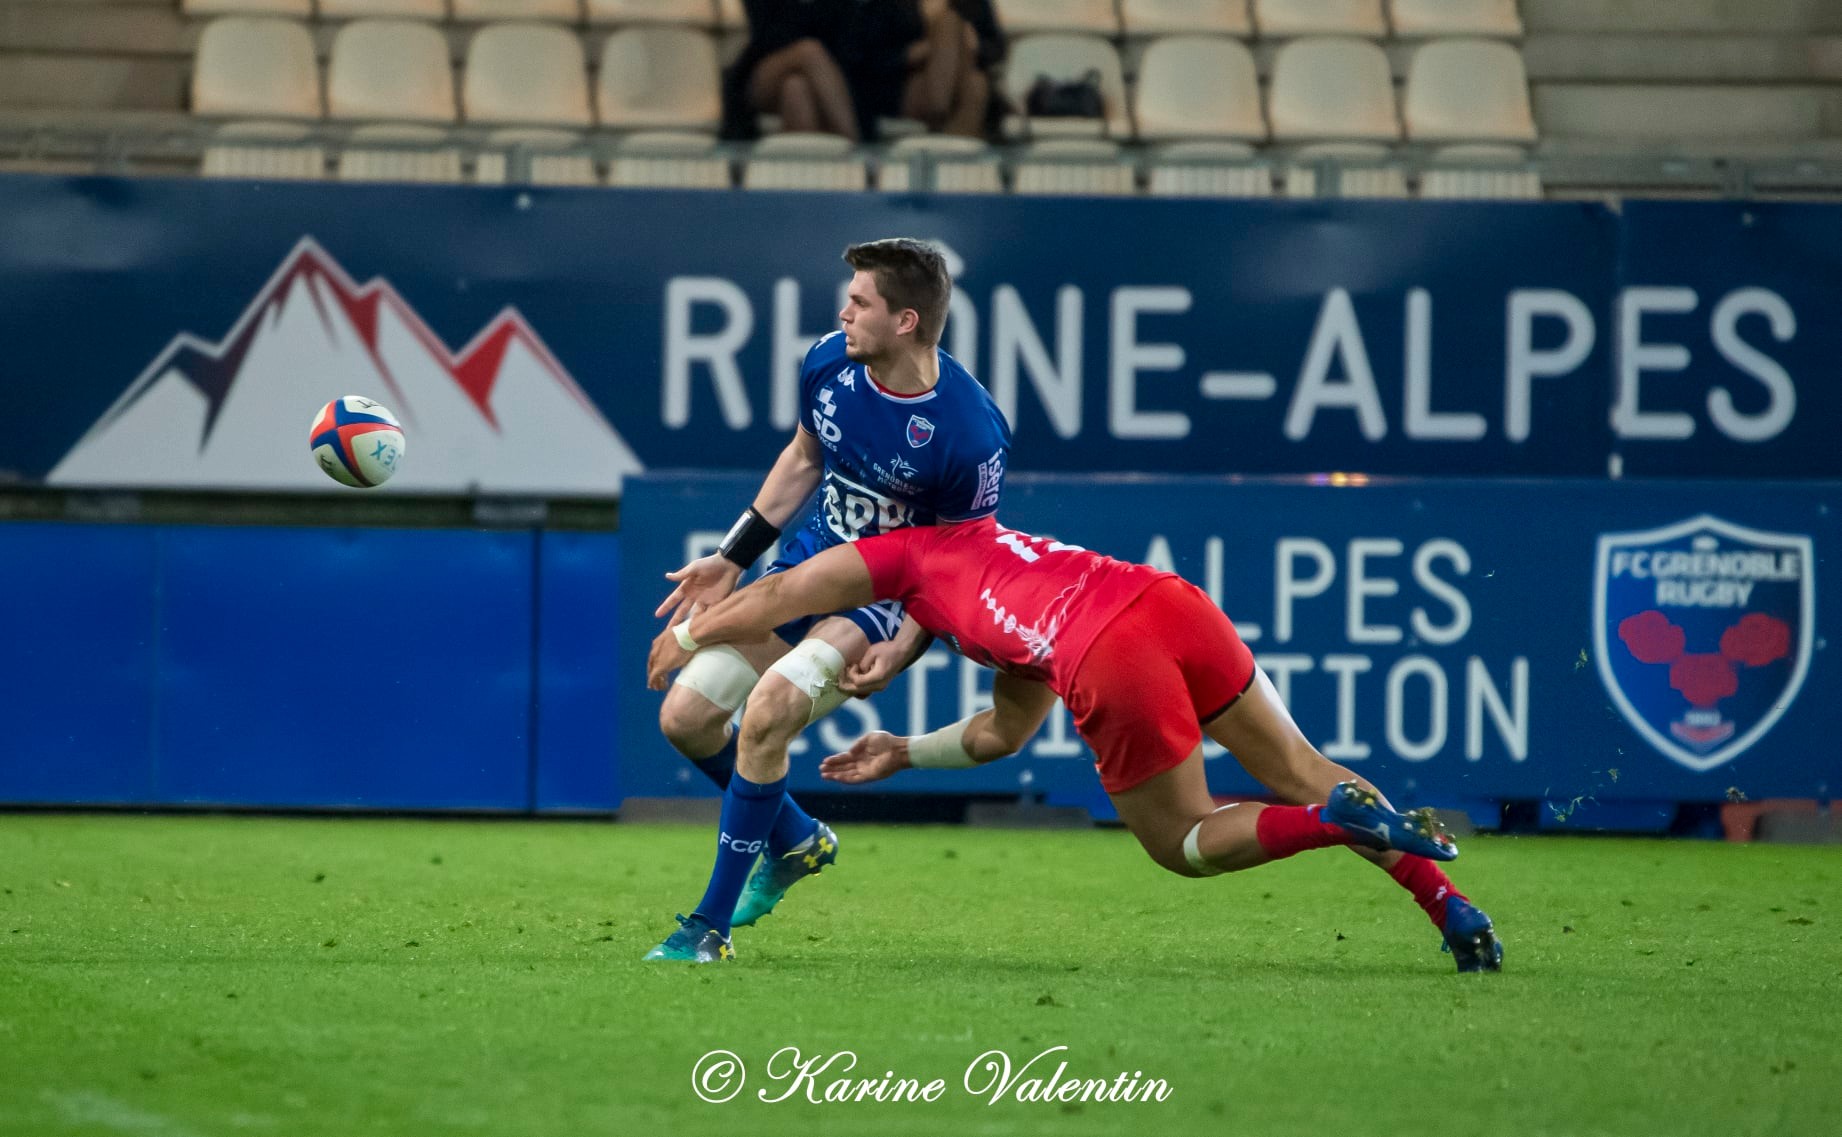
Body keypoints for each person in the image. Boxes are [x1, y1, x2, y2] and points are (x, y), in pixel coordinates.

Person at [647, 516, 1505, 973]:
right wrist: (903, 751)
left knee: (1183, 841)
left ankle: (1328, 823)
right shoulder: (990, 557)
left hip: (1105, 649)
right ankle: (1452, 907)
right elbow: (1002, 732)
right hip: (1166, 600)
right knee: (1302, 763)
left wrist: (689, 639)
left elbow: (787, 591)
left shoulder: (900, 554)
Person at [646, 238, 1012, 960]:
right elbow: (803, 458)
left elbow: (959, 564)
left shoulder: (969, 434)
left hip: (877, 599)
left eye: (861, 301)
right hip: (807, 568)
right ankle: (795, 838)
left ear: (905, 321)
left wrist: (904, 643)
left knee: (770, 713)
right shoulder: (828, 362)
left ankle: (706, 929)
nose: (843, 311)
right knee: (686, 720)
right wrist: (730, 558)